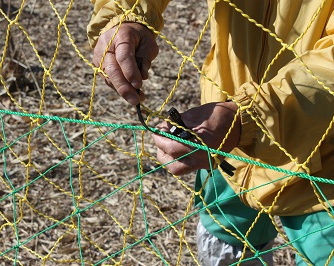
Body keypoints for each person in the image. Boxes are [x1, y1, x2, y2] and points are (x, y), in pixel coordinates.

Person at [87, 0, 334, 265]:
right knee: (226, 235)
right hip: (225, 141)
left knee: (323, 250)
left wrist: (250, 116)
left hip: (325, 154)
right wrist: (125, 15)